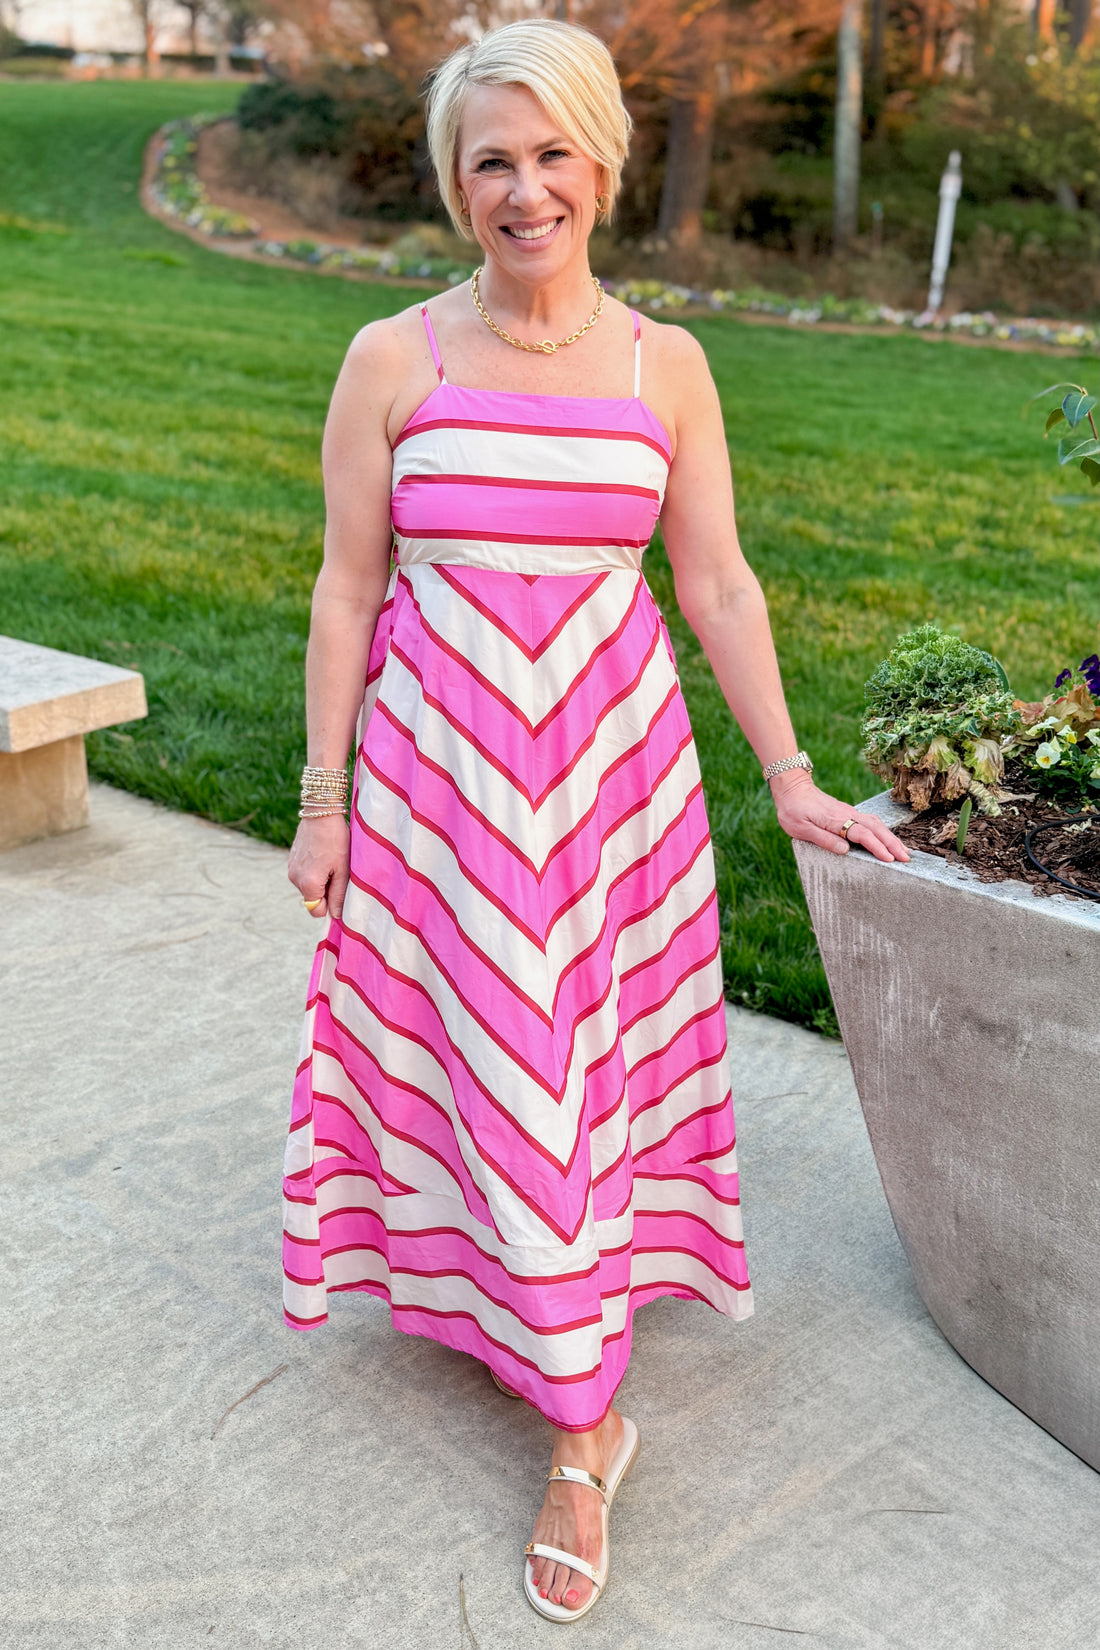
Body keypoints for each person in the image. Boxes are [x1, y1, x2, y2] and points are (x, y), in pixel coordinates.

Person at [284, 16, 909, 1624]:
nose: (524, 187)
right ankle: (572, 1386)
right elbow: (348, 589)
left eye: (552, 150)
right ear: (454, 183)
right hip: (436, 795)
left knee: (574, 1073)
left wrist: (788, 777)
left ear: (604, 163)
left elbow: (714, 581)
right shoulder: (391, 359)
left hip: (614, 793)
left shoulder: (664, 367)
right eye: (491, 157)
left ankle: (581, 1415)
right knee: (488, 1060)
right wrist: (321, 798)